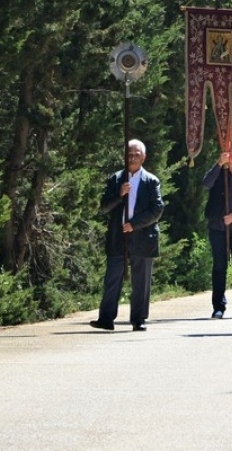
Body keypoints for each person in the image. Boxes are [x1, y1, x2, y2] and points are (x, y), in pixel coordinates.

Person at [91, 139, 165, 332]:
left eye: (136, 154)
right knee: (112, 278)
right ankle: (106, 319)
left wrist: (134, 224)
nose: (132, 158)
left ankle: (138, 319)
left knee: (141, 282)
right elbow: (104, 207)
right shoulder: (116, 179)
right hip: (118, 237)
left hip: (143, 237)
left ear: (144, 157)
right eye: (129, 154)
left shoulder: (151, 181)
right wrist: (119, 194)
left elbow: (157, 209)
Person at [203, 151, 232, 319]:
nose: (229, 157)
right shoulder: (218, 173)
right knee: (219, 266)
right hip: (217, 225)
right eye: (226, 154)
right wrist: (218, 163)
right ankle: (218, 306)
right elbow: (206, 184)